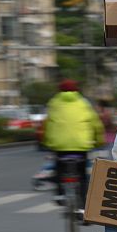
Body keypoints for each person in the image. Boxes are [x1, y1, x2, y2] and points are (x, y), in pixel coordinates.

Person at [43, 80, 104, 212]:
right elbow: (95, 124)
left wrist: (48, 142)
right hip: (81, 146)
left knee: (58, 169)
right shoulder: (84, 103)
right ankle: (82, 209)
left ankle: (59, 194)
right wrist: (99, 141)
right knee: (82, 177)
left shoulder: (54, 103)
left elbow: (48, 125)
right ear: (77, 90)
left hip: (60, 146)